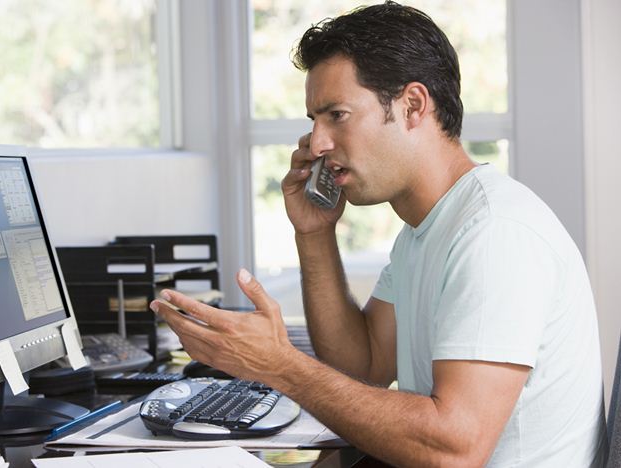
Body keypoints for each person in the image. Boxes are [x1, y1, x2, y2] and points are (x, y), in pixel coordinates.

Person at [150, 2, 607, 466]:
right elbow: (361, 366)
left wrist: (280, 364)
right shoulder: (424, 231)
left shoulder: (494, 234)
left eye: (337, 115)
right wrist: (314, 234)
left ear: (412, 106)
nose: (318, 143)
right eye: (314, 121)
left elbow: (455, 449)